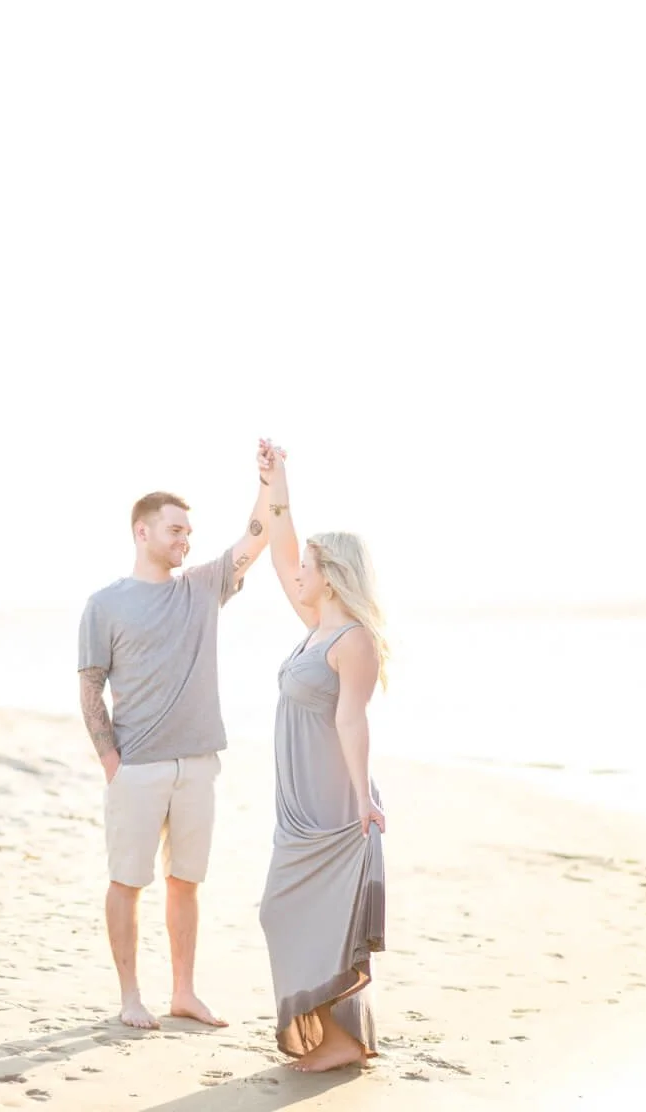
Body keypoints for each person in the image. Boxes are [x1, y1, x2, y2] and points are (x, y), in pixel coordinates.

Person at [78, 451, 273, 1030]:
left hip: (198, 764)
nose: (186, 539)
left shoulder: (201, 587)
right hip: (136, 767)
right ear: (143, 532)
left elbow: (255, 538)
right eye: (175, 529)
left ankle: (184, 992)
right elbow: (91, 687)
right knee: (127, 881)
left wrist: (268, 483)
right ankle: (130, 996)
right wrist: (111, 760)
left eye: (189, 530)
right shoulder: (104, 604)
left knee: (186, 881)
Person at [257, 442, 388, 1072]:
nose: (299, 571)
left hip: (334, 799)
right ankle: (340, 1039)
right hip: (299, 798)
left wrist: (363, 800)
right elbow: (281, 553)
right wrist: (276, 483)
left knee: (306, 911)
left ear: (332, 573)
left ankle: (340, 1042)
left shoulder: (353, 638)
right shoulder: (314, 624)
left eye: (311, 564)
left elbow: (351, 718)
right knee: (288, 910)